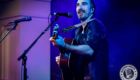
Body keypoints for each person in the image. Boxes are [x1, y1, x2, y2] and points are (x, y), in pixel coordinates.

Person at [50, 0, 109, 80]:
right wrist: (64, 59)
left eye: (84, 4)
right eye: (77, 5)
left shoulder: (95, 24)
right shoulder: (78, 31)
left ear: (92, 10)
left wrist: (64, 45)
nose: (79, 8)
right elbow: (78, 57)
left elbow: (89, 50)